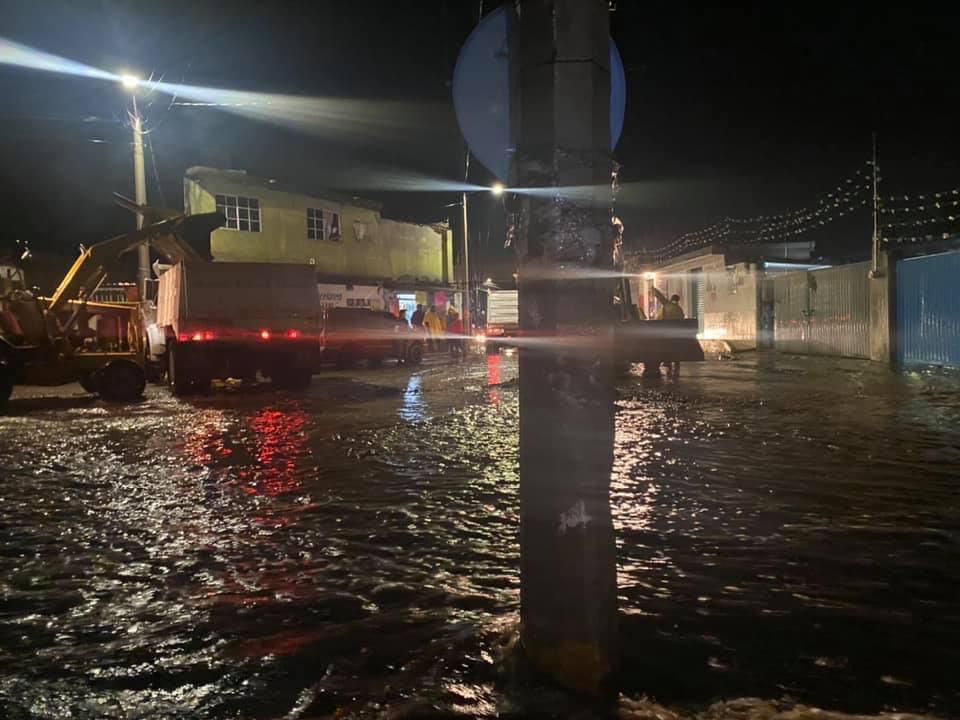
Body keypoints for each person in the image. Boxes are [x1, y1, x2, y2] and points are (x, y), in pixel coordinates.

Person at [652, 288, 685, 377]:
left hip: (665, 331)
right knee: (674, 347)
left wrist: (653, 289)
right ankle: (675, 363)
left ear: (671, 299)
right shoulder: (679, 309)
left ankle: (667, 362)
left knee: (665, 347)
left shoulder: (667, 305)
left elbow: (660, 297)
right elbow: (682, 319)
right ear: (678, 301)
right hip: (675, 333)